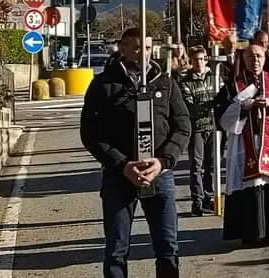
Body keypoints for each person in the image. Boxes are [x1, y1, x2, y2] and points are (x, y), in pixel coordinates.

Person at [81, 28, 191, 278]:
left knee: (167, 247)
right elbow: (91, 133)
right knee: (116, 250)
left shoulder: (165, 82)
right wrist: (122, 165)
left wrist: (163, 161)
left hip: (159, 175)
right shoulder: (103, 85)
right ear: (124, 48)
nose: (144, 54)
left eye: (149, 48)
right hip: (119, 177)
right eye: (137, 47)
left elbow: (183, 125)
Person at [216, 43, 269, 246]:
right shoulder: (233, 85)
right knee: (249, 184)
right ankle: (250, 233)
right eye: (251, 57)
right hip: (245, 145)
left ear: (265, 59)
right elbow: (220, 114)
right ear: (244, 59)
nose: (255, 61)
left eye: (259, 57)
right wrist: (243, 107)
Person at [178, 45, 219, 216]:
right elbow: (189, 106)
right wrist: (208, 105)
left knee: (211, 165)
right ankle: (197, 200)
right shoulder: (186, 82)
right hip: (196, 129)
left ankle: (208, 198)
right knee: (196, 165)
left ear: (206, 60)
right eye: (195, 60)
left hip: (213, 127)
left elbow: (221, 97)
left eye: (201, 59)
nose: (199, 63)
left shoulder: (214, 78)